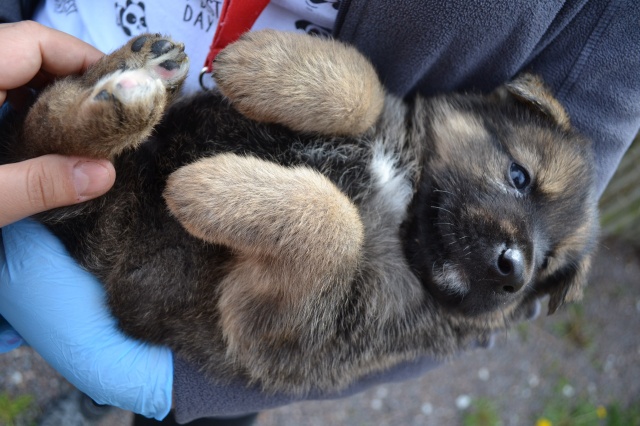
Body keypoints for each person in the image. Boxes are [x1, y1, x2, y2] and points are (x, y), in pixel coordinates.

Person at [1, 0, 639, 425]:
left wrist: (181, 389)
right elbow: (369, 105)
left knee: (94, 194)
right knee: (69, 167)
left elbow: (288, 336)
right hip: (51, 62)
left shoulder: (409, 300)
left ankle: (94, 120)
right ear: (498, 109)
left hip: (158, 268)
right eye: (518, 178)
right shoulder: (406, 129)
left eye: (541, 262)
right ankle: (94, 114)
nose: (517, 256)